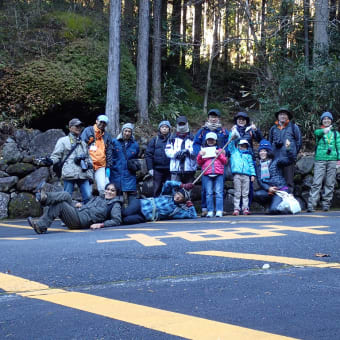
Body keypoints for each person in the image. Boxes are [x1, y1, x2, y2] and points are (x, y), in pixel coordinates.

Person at [27, 182, 122, 234]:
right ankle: (40, 225)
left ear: (116, 193)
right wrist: (80, 205)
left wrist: (101, 225)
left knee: (61, 204)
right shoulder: (98, 198)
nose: (109, 192)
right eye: (108, 189)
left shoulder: (115, 204)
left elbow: (116, 220)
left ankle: (45, 198)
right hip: (78, 212)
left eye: (112, 191)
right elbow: (88, 207)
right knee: (65, 195)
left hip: (80, 221)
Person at [39, 118, 93, 204]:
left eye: (80, 126)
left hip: (83, 174)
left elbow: (88, 158)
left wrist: (90, 166)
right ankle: (65, 215)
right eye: (76, 126)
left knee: (88, 197)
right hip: (69, 173)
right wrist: (51, 161)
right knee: (66, 197)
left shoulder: (83, 143)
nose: (79, 128)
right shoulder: (63, 141)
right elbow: (56, 156)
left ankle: (87, 216)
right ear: (70, 127)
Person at [193, 109, 229, 217]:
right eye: (211, 117)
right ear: (208, 118)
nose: (213, 119)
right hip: (206, 163)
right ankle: (206, 208)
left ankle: (219, 209)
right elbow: (196, 144)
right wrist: (199, 153)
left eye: (215, 117)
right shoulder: (202, 131)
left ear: (218, 118)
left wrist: (224, 152)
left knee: (219, 190)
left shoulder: (223, 131)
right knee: (206, 190)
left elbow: (229, 144)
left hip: (219, 163)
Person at [307, 112, 340, 212]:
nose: (326, 120)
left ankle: (326, 204)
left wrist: (339, 160)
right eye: (324, 119)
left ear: (331, 120)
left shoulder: (336, 133)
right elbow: (317, 134)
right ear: (322, 121)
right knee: (317, 182)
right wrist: (324, 131)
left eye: (328, 119)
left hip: (332, 159)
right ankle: (311, 204)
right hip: (320, 159)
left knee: (330, 182)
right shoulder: (319, 131)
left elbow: (339, 147)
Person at [122, 181, 197, 225]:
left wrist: (188, 202)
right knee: (125, 213)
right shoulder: (167, 195)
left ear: (183, 200)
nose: (177, 197)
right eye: (178, 194)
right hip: (141, 204)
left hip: (144, 216)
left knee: (125, 220)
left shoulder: (177, 211)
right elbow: (168, 183)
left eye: (180, 197)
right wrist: (182, 185)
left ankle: (112, 221)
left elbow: (193, 215)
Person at [253, 139, 295, 214]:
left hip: (280, 190)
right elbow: (260, 181)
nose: (262, 153)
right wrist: (269, 188)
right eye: (261, 151)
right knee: (256, 195)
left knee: (273, 210)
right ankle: (268, 206)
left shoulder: (276, 161)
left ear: (268, 152)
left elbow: (290, 160)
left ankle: (283, 204)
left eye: (264, 151)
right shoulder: (259, 166)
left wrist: (288, 149)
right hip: (270, 191)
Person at [269, 107, 302, 193]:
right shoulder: (273, 128)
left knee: (289, 182)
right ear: (278, 116)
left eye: (284, 114)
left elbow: (299, 143)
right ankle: (279, 202)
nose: (282, 116)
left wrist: (292, 153)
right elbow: (270, 142)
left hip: (288, 159)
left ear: (288, 116)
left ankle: (289, 201)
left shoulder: (294, 127)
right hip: (276, 159)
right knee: (277, 181)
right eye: (280, 114)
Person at [197, 132, 227, 217]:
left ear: (216, 141)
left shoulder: (220, 150)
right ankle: (210, 210)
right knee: (209, 193)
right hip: (207, 173)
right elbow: (199, 163)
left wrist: (219, 155)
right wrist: (200, 155)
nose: (210, 141)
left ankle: (219, 210)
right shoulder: (203, 151)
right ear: (206, 141)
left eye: (212, 140)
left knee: (218, 192)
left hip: (218, 173)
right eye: (209, 140)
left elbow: (225, 161)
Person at [81, 114, 112, 195]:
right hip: (88, 165)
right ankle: (87, 206)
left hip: (101, 165)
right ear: (96, 121)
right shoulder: (88, 130)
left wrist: (108, 167)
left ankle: (104, 206)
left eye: (104, 123)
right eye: (101, 122)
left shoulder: (107, 136)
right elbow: (81, 146)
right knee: (87, 190)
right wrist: (83, 162)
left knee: (102, 188)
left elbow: (109, 152)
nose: (102, 124)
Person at [109, 123, 140, 204]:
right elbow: (109, 156)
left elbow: (136, 157)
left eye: (129, 131)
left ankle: (130, 213)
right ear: (122, 131)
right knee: (115, 194)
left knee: (131, 195)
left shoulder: (135, 145)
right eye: (125, 131)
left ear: (131, 133)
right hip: (116, 172)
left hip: (129, 173)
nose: (127, 133)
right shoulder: (114, 142)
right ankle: (116, 211)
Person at [165, 116, 197, 183]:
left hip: (189, 169)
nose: (182, 126)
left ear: (187, 124)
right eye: (180, 124)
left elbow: (197, 149)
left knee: (188, 191)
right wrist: (176, 154)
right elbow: (167, 150)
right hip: (175, 169)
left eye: (183, 124)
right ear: (177, 125)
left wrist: (188, 152)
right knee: (175, 190)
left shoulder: (193, 137)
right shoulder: (172, 137)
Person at [228, 139, 256, 215]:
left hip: (246, 175)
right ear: (238, 146)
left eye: (245, 146)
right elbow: (230, 144)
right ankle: (236, 208)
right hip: (237, 175)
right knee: (237, 192)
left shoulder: (248, 155)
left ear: (247, 147)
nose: (243, 147)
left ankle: (245, 208)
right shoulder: (234, 153)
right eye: (241, 145)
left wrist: (253, 174)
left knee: (245, 193)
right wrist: (233, 135)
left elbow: (251, 165)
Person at [145, 120, 172, 196]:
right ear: (159, 129)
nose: (164, 129)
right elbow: (148, 154)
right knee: (156, 188)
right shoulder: (155, 140)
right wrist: (150, 168)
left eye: (166, 127)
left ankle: (167, 205)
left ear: (169, 129)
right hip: (157, 169)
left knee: (169, 188)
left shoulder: (173, 139)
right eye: (162, 127)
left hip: (169, 169)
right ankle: (156, 205)